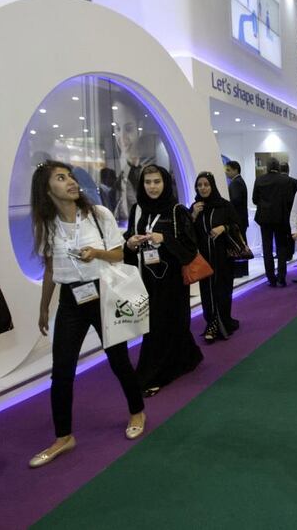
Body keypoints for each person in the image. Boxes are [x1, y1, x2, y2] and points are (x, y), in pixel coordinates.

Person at [29, 160, 145, 468]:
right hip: (71, 299)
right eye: (61, 178)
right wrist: (43, 307)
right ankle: (63, 436)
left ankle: (137, 410)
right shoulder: (47, 224)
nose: (70, 181)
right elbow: (51, 269)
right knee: (62, 370)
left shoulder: (98, 214)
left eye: (70, 176)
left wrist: (97, 254)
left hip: (102, 291)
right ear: (46, 188)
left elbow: (121, 254)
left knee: (118, 359)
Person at [124, 165, 203, 397]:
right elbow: (128, 237)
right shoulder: (137, 209)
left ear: (165, 183)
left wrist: (164, 238)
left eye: (157, 181)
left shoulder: (177, 210)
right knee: (161, 324)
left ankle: (153, 374)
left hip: (171, 280)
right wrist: (130, 242)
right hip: (145, 277)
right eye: (148, 182)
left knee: (163, 324)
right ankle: (188, 356)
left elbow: (190, 249)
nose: (152, 187)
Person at [191, 172, 239, 342]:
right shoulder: (196, 208)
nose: (203, 188)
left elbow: (238, 225)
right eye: (199, 185)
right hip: (204, 258)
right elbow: (187, 233)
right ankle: (211, 321)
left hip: (223, 257)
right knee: (207, 290)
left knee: (223, 289)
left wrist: (223, 228)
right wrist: (193, 216)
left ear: (212, 186)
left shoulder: (225, 206)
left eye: (206, 184)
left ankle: (221, 321)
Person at [253, 158, 297, 287]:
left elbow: (255, 199)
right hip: (281, 218)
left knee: (267, 248)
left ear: (267, 167)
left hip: (264, 218)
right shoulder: (286, 180)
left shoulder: (260, 180)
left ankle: (271, 278)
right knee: (281, 247)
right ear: (278, 167)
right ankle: (281, 277)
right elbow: (290, 200)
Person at [225, 160, 250, 278]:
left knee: (239, 244)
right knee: (242, 243)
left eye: (228, 170)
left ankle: (239, 271)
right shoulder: (240, 181)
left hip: (237, 220)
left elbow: (235, 201)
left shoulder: (235, 183)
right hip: (242, 219)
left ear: (236, 170)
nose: (226, 173)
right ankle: (243, 270)